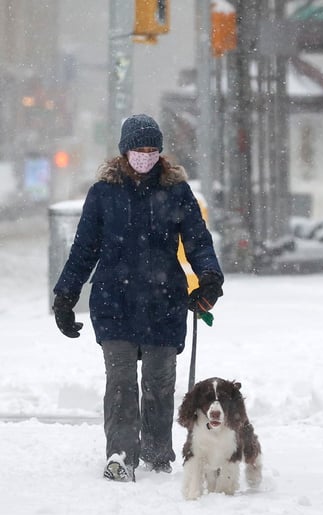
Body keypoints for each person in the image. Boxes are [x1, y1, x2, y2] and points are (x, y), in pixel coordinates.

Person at [52, 114, 224, 481]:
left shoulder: (176, 191)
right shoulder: (103, 193)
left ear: (160, 152)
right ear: (124, 151)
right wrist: (65, 296)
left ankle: (158, 455)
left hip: (165, 303)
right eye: (139, 149)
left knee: (160, 383)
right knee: (121, 383)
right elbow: (84, 249)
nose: (146, 156)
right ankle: (119, 455)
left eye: (152, 149)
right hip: (115, 302)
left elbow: (197, 240)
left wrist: (209, 278)